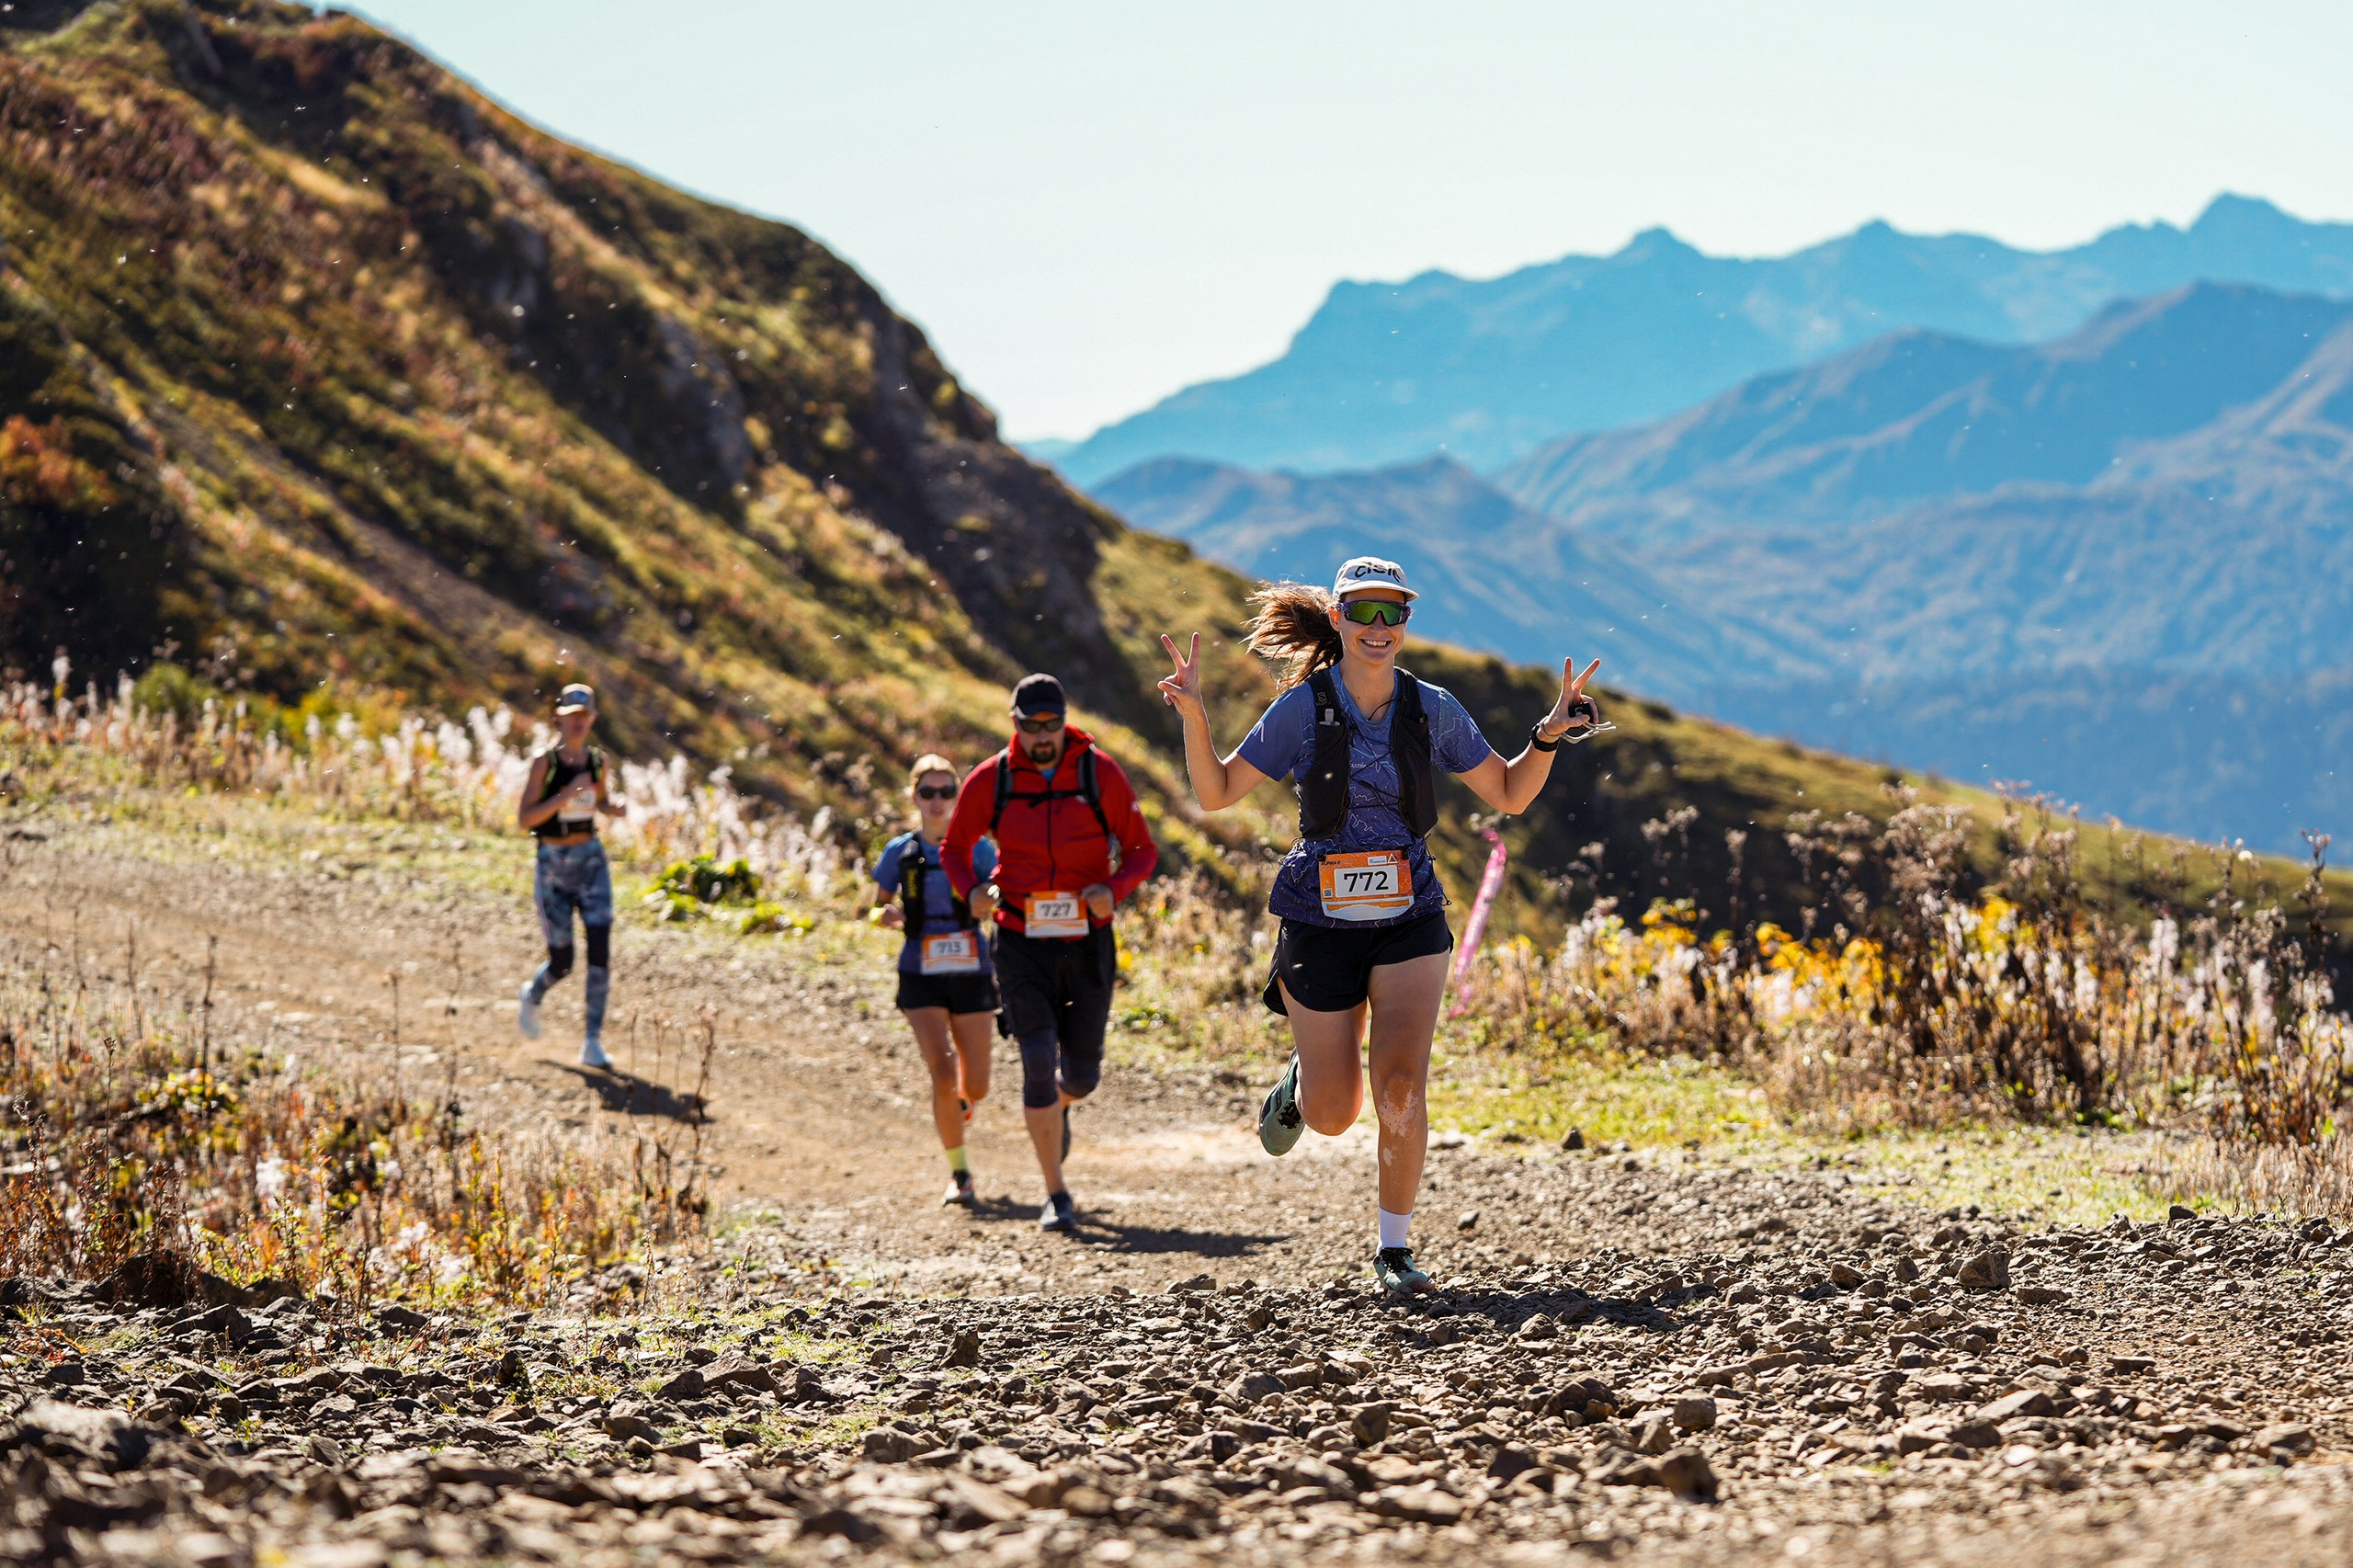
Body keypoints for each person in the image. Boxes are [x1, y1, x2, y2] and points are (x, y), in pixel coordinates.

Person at [1156, 556, 1604, 1295]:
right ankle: (1305, 1082)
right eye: (1361, 611)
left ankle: (1393, 1251)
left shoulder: (1433, 707)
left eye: (1391, 612)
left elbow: (1508, 792)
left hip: (1411, 914)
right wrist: (1197, 717)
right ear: (1336, 619)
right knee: (1335, 1115)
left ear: (1406, 624)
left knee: (1400, 1086)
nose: (1377, 626)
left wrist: (1549, 735)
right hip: (1317, 917)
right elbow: (1217, 792)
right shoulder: (1302, 708)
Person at [942, 674, 1160, 1232]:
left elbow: (1141, 851)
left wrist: (1110, 891)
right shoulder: (992, 779)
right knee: (1037, 1058)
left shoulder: (1098, 771)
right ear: (1015, 724)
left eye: (1051, 726)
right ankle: (1055, 1194)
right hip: (1018, 941)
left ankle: (1061, 1106)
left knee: (1081, 1077)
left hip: (1087, 943)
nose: (1043, 737)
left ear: (1065, 722)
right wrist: (971, 891)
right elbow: (955, 847)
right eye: (1031, 727)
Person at [867, 754, 1001, 1207]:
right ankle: (960, 1174)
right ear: (914, 797)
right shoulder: (899, 852)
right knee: (942, 1072)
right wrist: (881, 916)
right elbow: (872, 904)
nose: (938, 801)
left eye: (947, 791)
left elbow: (1001, 896)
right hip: (918, 971)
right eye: (929, 792)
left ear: (958, 796)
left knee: (975, 1085)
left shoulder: (979, 850)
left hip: (971, 970)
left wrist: (991, 899)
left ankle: (963, 1104)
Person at [514, 682, 620, 1069]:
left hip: (591, 860)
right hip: (553, 865)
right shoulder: (546, 764)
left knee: (600, 951)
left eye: (584, 716)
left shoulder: (598, 762)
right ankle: (533, 994)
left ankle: (592, 1041)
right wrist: (564, 795)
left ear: (592, 719)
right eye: (571, 716)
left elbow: (598, 800)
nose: (578, 723)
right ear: (558, 716)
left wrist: (613, 809)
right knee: (562, 961)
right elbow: (526, 819)